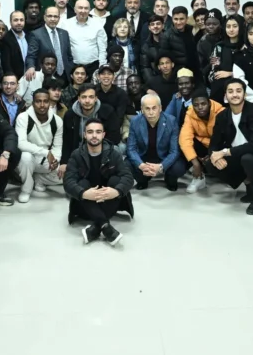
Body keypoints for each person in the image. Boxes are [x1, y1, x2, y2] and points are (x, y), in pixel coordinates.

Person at [64, 118, 134, 247]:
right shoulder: (77, 155)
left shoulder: (114, 153)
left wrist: (116, 191)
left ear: (103, 134)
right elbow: (68, 181)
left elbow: (128, 177)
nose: (94, 135)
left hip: (109, 202)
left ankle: (97, 226)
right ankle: (105, 226)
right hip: (86, 205)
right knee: (82, 183)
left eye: (98, 132)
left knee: (115, 180)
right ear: (84, 135)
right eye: (90, 132)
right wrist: (83, 193)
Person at [209, 78, 253, 215]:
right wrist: (214, 156)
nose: (235, 94)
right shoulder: (222, 116)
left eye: (238, 91)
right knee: (210, 162)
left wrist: (224, 152)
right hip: (237, 154)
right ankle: (249, 185)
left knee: (247, 159)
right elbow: (214, 143)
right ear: (225, 95)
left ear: (245, 94)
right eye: (230, 91)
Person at [14, 88, 65, 203]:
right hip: (28, 159)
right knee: (25, 157)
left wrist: (55, 160)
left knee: (66, 175)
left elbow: (57, 146)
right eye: (38, 101)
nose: (42, 105)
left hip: (45, 160)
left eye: (45, 101)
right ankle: (26, 189)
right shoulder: (23, 117)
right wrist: (46, 153)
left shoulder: (57, 121)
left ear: (49, 103)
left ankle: (39, 179)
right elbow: (20, 143)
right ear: (33, 103)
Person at [126, 95, 184, 191]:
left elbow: (174, 151)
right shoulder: (135, 121)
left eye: (154, 108)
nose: (151, 112)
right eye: (147, 108)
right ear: (142, 109)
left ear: (160, 108)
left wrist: (161, 166)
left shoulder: (171, 121)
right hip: (144, 158)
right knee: (126, 164)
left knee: (179, 167)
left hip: (164, 157)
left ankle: (169, 179)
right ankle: (142, 180)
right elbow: (131, 149)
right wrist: (141, 165)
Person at [179, 88, 223, 193]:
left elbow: (225, 139)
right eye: (196, 105)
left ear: (209, 103)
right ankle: (199, 178)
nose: (200, 107)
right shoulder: (190, 113)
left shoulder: (221, 112)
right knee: (183, 141)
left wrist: (212, 153)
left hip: (219, 147)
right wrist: (195, 163)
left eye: (203, 104)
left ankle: (225, 175)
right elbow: (184, 138)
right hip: (203, 146)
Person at [61, 83, 120, 161]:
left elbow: (114, 137)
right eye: (84, 97)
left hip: (102, 150)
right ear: (79, 99)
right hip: (78, 153)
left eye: (91, 97)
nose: (87, 101)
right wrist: (64, 162)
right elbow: (66, 141)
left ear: (96, 98)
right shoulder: (70, 115)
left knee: (116, 149)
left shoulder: (108, 111)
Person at [62, 0, 107, 76]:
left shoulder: (97, 25)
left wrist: (101, 67)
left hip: (93, 66)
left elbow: (102, 48)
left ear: (89, 10)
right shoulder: (66, 24)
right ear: (75, 9)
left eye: (86, 8)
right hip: (73, 66)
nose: (83, 11)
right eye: (80, 8)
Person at [27, 7, 73, 79]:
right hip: (46, 75)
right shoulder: (36, 34)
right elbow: (31, 55)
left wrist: (70, 68)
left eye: (55, 16)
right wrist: (31, 67)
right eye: (50, 16)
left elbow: (69, 56)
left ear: (59, 18)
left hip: (65, 75)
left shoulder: (64, 33)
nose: (52, 19)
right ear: (44, 17)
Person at [140, 15, 186, 82]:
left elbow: (180, 60)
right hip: (156, 80)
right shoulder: (146, 47)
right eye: (152, 24)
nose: (155, 26)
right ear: (149, 27)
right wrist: (152, 82)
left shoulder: (173, 39)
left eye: (158, 24)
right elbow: (145, 68)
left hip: (175, 79)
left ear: (163, 26)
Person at [94, 64, 128, 137]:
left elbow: (120, 116)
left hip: (113, 128)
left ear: (114, 77)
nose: (106, 76)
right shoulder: (93, 91)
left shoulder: (121, 93)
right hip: (94, 128)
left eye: (109, 74)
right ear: (98, 76)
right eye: (103, 74)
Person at [168, 6, 201, 73]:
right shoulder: (167, 36)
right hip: (178, 73)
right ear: (172, 19)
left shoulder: (192, 31)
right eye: (176, 19)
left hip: (195, 70)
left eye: (181, 19)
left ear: (187, 19)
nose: (178, 22)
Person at [0, 10, 29, 80]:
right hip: (15, 79)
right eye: (16, 20)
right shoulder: (5, 39)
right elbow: (6, 64)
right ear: (10, 22)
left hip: (30, 78)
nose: (19, 23)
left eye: (21, 20)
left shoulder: (29, 36)